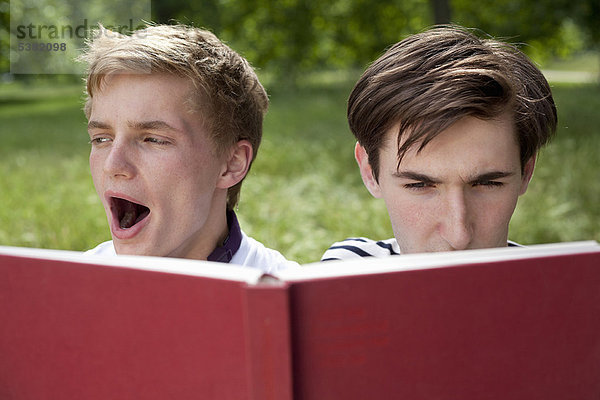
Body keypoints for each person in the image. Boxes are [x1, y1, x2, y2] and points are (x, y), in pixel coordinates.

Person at [322, 25, 557, 260]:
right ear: (369, 172)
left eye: (489, 183)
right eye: (418, 185)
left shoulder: (570, 289)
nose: (459, 235)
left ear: (526, 172)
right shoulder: (344, 270)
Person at [81, 24, 298, 272]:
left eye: (153, 139)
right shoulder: (70, 288)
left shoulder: (286, 297)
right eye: (101, 139)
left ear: (231, 163)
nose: (112, 165)